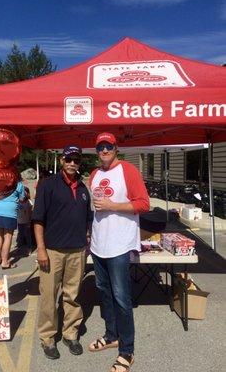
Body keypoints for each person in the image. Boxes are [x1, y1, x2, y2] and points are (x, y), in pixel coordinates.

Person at [88, 132, 149, 372]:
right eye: (100, 147)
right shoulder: (94, 174)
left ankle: (127, 351)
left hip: (119, 245)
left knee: (122, 298)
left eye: (108, 146)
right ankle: (111, 335)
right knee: (104, 293)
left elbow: (143, 204)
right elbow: (94, 208)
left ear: (116, 147)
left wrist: (113, 206)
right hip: (98, 244)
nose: (104, 150)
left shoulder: (128, 170)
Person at [32, 145, 93, 360]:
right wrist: (41, 250)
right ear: (61, 160)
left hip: (77, 251)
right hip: (52, 251)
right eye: (68, 159)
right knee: (49, 297)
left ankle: (70, 334)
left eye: (76, 160)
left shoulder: (84, 189)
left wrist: (86, 240)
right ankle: (48, 338)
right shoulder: (48, 185)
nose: (72, 163)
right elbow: (38, 219)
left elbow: (87, 219)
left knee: (73, 296)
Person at [0, 179, 25, 269]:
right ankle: (5, 262)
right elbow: (22, 198)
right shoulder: (18, 183)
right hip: (10, 211)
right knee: (8, 236)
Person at [16, 186, 33, 256]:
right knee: (20, 235)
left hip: (26, 222)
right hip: (19, 222)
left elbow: (30, 212)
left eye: (24, 192)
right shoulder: (17, 201)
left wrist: (30, 221)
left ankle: (29, 248)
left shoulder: (29, 202)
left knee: (28, 236)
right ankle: (19, 248)